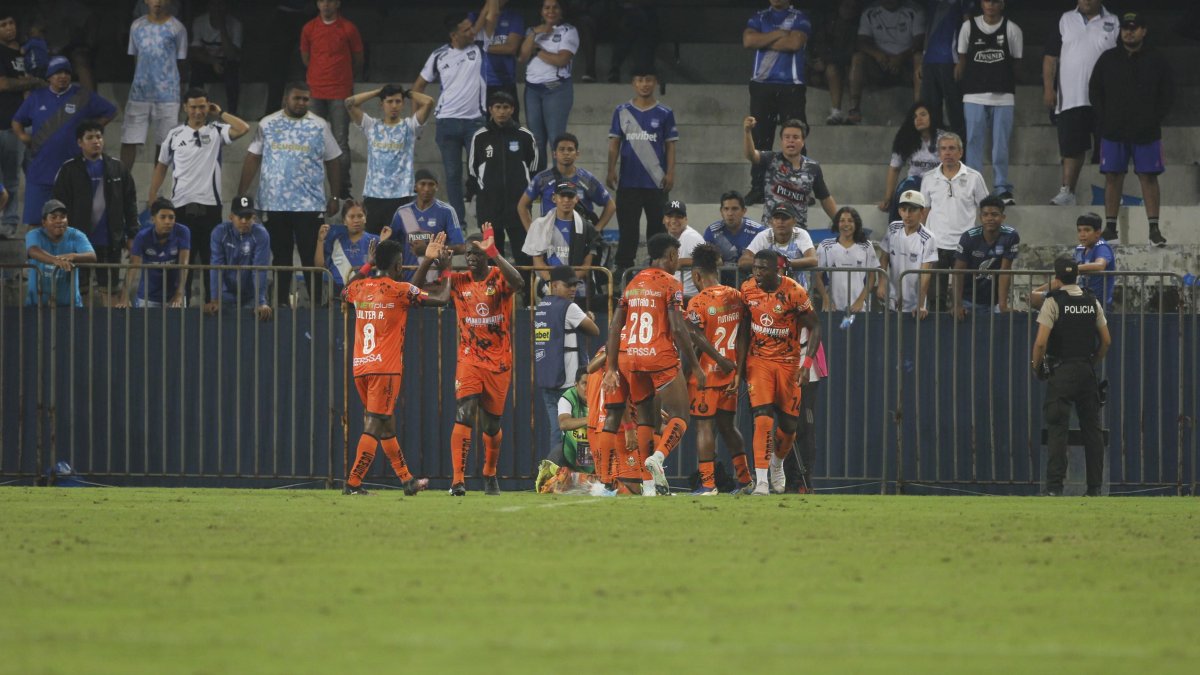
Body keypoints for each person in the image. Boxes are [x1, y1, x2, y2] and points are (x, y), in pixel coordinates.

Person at [341, 235, 450, 495]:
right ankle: (353, 483)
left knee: (385, 424)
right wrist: (444, 268)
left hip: (361, 368)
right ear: (398, 266)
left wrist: (366, 265)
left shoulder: (360, 288)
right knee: (374, 424)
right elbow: (443, 298)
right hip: (385, 370)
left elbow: (343, 291)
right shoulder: (397, 290)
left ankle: (406, 480)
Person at [601, 233, 701, 496]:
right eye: (676, 256)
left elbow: (615, 326)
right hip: (659, 355)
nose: (677, 262)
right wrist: (697, 366)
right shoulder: (671, 283)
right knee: (680, 416)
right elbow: (678, 328)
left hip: (632, 356)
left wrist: (612, 367)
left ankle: (647, 486)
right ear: (670, 256)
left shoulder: (633, 282)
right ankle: (658, 457)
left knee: (645, 418)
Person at [238, 81, 341, 306]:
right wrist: (241, 193)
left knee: (310, 257)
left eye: (306, 99)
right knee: (281, 256)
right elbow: (253, 157)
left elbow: (333, 160)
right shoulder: (268, 123)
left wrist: (334, 195)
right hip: (274, 203)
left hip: (310, 204)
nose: (302, 102)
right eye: (297, 98)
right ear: (286, 98)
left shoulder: (320, 125)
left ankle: (316, 303)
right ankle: (282, 303)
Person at [148, 88, 250, 303]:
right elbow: (161, 165)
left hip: (209, 207)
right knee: (182, 262)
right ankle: (179, 306)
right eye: (193, 107)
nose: (197, 111)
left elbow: (243, 128)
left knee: (211, 261)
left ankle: (212, 305)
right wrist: (152, 195)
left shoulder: (216, 130)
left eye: (202, 106)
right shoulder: (174, 134)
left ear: (208, 106)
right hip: (180, 208)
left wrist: (220, 113)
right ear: (185, 107)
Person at [446, 225, 526, 496]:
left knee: (491, 425)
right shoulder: (458, 282)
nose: (471, 257)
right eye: (468, 253)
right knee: (464, 412)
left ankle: (490, 473)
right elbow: (437, 293)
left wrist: (495, 254)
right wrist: (434, 261)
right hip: (468, 359)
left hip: (498, 362)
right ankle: (458, 480)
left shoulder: (498, 277)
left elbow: (519, 283)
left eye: (477, 253)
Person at [738, 249, 821, 494]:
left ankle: (777, 463)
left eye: (763, 268)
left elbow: (815, 327)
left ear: (777, 270)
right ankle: (761, 480)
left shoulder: (794, 291)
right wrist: (740, 366)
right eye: (755, 268)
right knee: (762, 417)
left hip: (788, 363)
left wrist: (807, 366)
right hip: (759, 361)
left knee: (789, 427)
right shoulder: (748, 289)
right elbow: (744, 330)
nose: (757, 273)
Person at [1090, 11, 1173, 247]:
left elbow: (1167, 94)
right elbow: (1095, 91)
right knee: (1113, 177)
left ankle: (1154, 230)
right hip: (1113, 131)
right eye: (1126, 28)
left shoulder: (1157, 60)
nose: (1129, 31)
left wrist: (1154, 118)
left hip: (1147, 132)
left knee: (1148, 177)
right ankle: (1110, 229)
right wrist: (1105, 119)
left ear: (1144, 31)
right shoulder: (1107, 59)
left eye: (1134, 27)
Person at [1031, 256, 1111, 497]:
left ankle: (1055, 488)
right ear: (1077, 275)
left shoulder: (1053, 301)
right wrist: (1092, 362)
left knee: (1057, 429)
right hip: (1086, 370)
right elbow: (1106, 341)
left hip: (1061, 371)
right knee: (1092, 431)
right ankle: (1094, 488)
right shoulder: (1092, 300)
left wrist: (1037, 368)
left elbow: (1041, 343)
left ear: (1056, 278)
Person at [11, 57, 115, 230]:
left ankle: (66, 257)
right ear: (49, 77)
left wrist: (89, 133)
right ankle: (34, 257)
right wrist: (23, 137)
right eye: (58, 72)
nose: (63, 76)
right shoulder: (37, 97)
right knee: (36, 222)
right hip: (40, 171)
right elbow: (16, 121)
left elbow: (110, 112)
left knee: (71, 223)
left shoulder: (81, 96)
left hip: (72, 172)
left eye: (66, 72)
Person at [413, 9, 492, 224]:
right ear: (453, 35)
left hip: (475, 122)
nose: (472, 31)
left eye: (471, 27)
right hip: (446, 122)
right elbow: (419, 86)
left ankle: (485, 220)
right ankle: (459, 224)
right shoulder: (439, 55)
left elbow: (490, 13)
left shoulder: (480, 47)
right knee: (453, 176)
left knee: (481, 173)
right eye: (466, 29)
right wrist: (416, 123)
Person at [685, 243, 751, 495]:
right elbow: (744, 334)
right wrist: (737, 369)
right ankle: (745, 480)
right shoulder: (736, 295)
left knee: (704, 427)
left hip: (707, 375)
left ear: (696, 275)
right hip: (731, 375)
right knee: (727, 426)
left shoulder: (698, 303)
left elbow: (697, 340)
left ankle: (708, 484)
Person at [51, 120, 138, 304]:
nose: (95, 141)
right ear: (80, 142)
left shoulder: (118, 167)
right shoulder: (68, 169)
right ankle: (82, 332)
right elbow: (58, 205)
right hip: (78, 244)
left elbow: (130, 203)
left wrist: (132, 234)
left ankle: (110, 331)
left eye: (98, 137)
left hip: (110, 242)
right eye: (89, 137)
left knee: (110, 291)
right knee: (80, 293)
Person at [1043, 0, 1117, 207]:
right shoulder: (1065, 19)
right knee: (1071, 149)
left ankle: (1113, 193)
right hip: (1071, 97)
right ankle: (1067, 192)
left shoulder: (1114, 21)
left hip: (1106, 98)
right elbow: (1050, 57)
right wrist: (1049, 89)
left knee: (1109, 147)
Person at [605, 66, 677, 275]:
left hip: (656, 182)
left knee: (657, 229)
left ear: (655, 82)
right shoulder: (622, 111)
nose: (644, 84)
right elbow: (614, 144)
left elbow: (671, 145)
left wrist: (671, 172)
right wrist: (611, 170)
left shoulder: (665, 113)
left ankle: (657, 271)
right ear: (633, 83)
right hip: (628, 183)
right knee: (628, 232)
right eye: (640, 79)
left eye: (648, 79)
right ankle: (623, 273)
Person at [742, 0, 811, 205]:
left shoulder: (800, 16)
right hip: (762, 85)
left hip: (792, 85)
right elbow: (748, 41)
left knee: (795, 137)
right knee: (760, 137)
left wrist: (762, 39)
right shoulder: (760, 16)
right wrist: (781, 34)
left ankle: (800, 188)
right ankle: (758, 188)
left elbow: (794, 43)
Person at [956, 0, 1022, 205]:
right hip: (974, 94)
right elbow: (962, 58)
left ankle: (1001, 188)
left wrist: (1006, 83)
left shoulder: (1012, 29)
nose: (990, 5)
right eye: (986, 1)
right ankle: (975, 189)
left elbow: (1016, 62)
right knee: (974, 142)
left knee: (1000, 145)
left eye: (995, 1)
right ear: (981, 4)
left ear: (1002, 4)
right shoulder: (968, 27)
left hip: (1003, 97)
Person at [346, 84, 434, 234]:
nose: (394, 105)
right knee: (373, 243)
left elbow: (429, 102)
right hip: (374, 196)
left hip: (403, 197)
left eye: (398, 101)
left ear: (403, 104)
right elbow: (349, 103)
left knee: (407, 243)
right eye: (389, 101)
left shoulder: (410, 126)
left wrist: (407, 93)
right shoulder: (371, 126)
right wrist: (377, 92)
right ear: (382, 104)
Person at [534, 264, 600, 464]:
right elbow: (595, 330)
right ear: (554, 285)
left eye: (575, 285)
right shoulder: (569, 307)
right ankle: (563, 475)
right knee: (579, 430)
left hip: (548, 380)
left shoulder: (543, 305)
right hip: (569, 383)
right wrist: (587, 318)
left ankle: (556, 474)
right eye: (568, 285)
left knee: (557, 430)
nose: (573, 289)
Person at [300, 0, 362, 198]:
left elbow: (358, 57)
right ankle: (311, 184)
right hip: (315, 90)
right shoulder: (309, 28)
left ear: (337, 4)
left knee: (340, 141)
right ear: (317, 4)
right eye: (322, 1)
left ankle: (343, 187)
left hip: (340, 91)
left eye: (330, 1)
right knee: (314, 140)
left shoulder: (348, 28)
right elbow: (305, 57)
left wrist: (346, 77)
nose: (326, 5)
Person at [467, 90, 538, 264]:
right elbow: (472, 170)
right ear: (490, 109)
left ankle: (525, 290)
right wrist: (479, 195)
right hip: (489, 206)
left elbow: (533, 168)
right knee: (492, 256)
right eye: (497, 107)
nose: (501, 111)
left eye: (506, 107)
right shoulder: (480, 137)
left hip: (518, 206)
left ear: (512, 109)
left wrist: (524, 193)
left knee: (523, 254)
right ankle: (495, 291)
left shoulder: (525, 136)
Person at [919, 132, 989, 310]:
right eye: (943, 149)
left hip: (966, 246)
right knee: (935, 300)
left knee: (965, 301)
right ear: (938, 153)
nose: (947, 153)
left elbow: (986, 209)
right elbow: (924, 211)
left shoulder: (974, 177)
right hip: (936, 246)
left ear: (961, 152)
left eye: (952, 148)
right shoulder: (928, 179)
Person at [120, 0, 188, 172]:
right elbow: (136, 58)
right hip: (139, 95)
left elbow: (181, 63)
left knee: (164, 144)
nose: (157, 2)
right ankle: (121, 185)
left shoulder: (177, 28)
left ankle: (155, 193)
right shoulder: (136, 26)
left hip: (168, 97)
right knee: (129, 140)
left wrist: (180, 95)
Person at [742, 117, 837, 227]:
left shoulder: (813, 167)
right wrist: (747, 132)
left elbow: (825, 198)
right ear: (782, 141)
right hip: (770, 230)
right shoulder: (770, 159)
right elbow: (751, 155)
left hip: (798, 233)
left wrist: (839, 221)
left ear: (803, 142)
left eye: (796, 137)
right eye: (787, 137)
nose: (791, 140)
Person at [519, 0, 578, 171]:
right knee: (536, 141)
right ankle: (541, 185)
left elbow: (561, 60)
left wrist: (537, 50)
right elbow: (522, 57)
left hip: (556, 89)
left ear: (561, 11)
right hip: (532, 90)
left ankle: (561, 184)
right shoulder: (532, 31)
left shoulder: (569, 31)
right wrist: (535, 33)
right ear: (541, 11)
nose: (550, 11)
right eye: (547, 7)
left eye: (555, 7)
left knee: (556, 140)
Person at [847, 0, 926, 124]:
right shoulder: (870, 12)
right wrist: (877, 54)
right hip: (880, 64)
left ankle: (918, 110)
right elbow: (861, 41)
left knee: (919, 57)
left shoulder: (914, 10)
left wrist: (900, 58)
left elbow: (920, 41)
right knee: (858, 58)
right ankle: (854, 109)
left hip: (906, 64)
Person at [0, 10, 44, 236]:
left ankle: (39, 221)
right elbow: (4, 84)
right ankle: (8, 224)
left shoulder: (28, 51)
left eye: (11, 23)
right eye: (3, 24)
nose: (9, 28)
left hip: (31, 123)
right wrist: (32, 81)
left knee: (38, 175)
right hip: (7, 124)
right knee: (11, 179)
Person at [518, 132, 614, 232]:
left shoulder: (586, 179)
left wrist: (596, 230)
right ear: (555, 154)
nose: (566, 153)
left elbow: (610, 205)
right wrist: (531, 233)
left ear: (577, 154)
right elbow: (522, 205)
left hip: (579, 239)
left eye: (570, 149)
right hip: (549, 238)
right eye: (562, 149)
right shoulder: (542, 179)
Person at [391, 169, 466, 284]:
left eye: (431, 184)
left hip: (436, 280)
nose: (427, 189)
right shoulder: (403, 212)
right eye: (423, 184)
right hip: (407, 280)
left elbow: (461, 247)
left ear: (437, 187)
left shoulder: (447, 211)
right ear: (415, 187)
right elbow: (392, 246)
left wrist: (427, 250)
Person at [522, 181, 602, 288]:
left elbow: (587, 264)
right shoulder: (539, 225)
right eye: (562, 196)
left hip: (577, 287)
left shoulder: (587, 228)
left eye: (570, 196)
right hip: (548, 286)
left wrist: (570, 284)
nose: (566, 200)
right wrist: (552, 284)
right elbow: (538, 262)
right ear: (554, 198)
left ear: (576, 199)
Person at [204, 196, 273, 320]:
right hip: (225, 295)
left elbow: (259, 269)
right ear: (231, 217)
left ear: (254, 217)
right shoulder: (220, 232)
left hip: (251, 296)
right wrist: (215, 298)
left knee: (251, 335)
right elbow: (216, 266)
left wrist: (260, 302)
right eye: (239, 217)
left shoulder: (261, 234)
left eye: (247, 217)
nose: (243, 221)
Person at [951, 195, 1018, 319]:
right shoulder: (968, 237)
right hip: (968, 300)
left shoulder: (1011, 236)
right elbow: (958, 272)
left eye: (994, 214)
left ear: (1003, 217)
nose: (990, 218)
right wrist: (957, 304)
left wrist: (1003, 305)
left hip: (994, 302)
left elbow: (1005, 271)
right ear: (980, 217)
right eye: (985, 214)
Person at [117, 198, 191, 308]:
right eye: (163, 217)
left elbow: (183, 264)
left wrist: (179, 294)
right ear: (153, 219)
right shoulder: (142, 237)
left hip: (174, 296)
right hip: (148, 297)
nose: (168, 221)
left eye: (171, 217)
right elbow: (133, 266)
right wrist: (124, 296)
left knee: (177, 325)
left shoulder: (183, 231)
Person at [879, 101, 944, 224]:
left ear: (932, 116)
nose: (918, 119)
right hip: (915, 181)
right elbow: (894, 168)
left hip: (938, 182)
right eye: (915, 117)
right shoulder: (905, 138)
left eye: (923, 114)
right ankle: (894, 236)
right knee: (905, 194)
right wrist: (888, 198)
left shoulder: (944, 138)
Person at [25, 198, 96, 306]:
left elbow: (92, 256)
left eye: (63, 217)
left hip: (70, 306)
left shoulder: (76, 235)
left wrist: (73, 256)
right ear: (44, 222)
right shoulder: (35, 234)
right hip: (37, 304)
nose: (59, 220)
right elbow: (33, 250)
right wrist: (55, 260)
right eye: (53, 217)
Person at [877, 189, 937, 317]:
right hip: (891, 297)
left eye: (912, 210)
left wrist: (920, 304)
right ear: (899, 211)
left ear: (922, 212)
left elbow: (925, 274)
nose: (907, 214)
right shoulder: (893, 228)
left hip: (914, 303)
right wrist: (881, 283)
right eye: (903, 210)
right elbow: (884, 258)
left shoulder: (928, 238)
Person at [315, 199, 390, 295]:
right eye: (351, 217)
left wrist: (383, 243)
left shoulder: (375, 240)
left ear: (365, 218)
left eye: (360, 216)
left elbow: (385, 270)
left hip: (367, 297)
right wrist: (320, 241)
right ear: (344, 221)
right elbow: (318, 268)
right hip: (338, 297)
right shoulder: (335, 240)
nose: (356, 220)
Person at [920, 0, 972, 137]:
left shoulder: (961, 3)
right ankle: (934, 151)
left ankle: (961, 151)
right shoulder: (932, 3)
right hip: (929, 60)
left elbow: (968, 28)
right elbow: (928, 29)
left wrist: (962, 59)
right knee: (930, 109)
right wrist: (923, 57)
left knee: (955, 110)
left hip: (950, 60)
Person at [814, 206, 879, 313]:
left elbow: (872, 277)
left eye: (850, 221)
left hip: (859, 309)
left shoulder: (866, 246)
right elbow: (817, 276)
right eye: (842, 221)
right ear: (837, 224)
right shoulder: (826, 245)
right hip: (833, 308)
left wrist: (860, 300)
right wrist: (826, 298)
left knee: (859, 330)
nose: (846, 224)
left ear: (856, 224)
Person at [739, 202, 818, 289]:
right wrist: (772, 264)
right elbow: (743, 261)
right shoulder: (764, 236)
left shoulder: (801, 234)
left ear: (794, 221)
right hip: (769, 294)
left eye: (785, 218)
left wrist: (786, 263)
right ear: (770, 221)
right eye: (777, 218)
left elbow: (813, 259)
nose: (780, 222)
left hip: (797, 293)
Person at [808, 0, 861, 126]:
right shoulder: (828, 23)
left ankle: (848, 112)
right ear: (839, 6)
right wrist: (818, 62)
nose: (849, 10)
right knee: (825, 71)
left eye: (853, 8)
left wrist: (826, 61)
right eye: (846, 6)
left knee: (842, 68)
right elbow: (817, 45)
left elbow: (852, 52)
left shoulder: (857, 27)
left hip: (845, 68)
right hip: (824, 69)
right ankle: (836, 112)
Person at [469, 0, 524, 122]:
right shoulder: (473, 16)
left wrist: (482, 46)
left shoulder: (514, 17)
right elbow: (470, 38)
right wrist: (486, 9)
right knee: (482, 126)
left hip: (505, 81)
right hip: (479, 83)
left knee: (510, 125)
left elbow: (511, 48)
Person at [188, 0, 243, 114]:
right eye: (214, 5)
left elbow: (232, 55)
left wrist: (222, 27)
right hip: (207, 62)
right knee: (196, 72)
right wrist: (212, 62)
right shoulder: (200, 22)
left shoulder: (235, 24)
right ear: (209, 6)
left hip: (227, 63)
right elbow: (195, 51)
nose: (218, 9)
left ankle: (232, 113)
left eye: (221, 5)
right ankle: (195, 111)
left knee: (233, 71)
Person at [704, 191, 767, 268]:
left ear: (744, 211)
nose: (730, 213)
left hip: (751, 279)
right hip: (721, 279)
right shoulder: (712, 232)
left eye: (735, 209)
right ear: (721, 211)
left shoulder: (758, 231)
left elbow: (767, 260)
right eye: (726, 209)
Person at [555, 367, 594, 479]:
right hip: (572, 449)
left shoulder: (601, 395)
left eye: (591, 383)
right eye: (584, 384)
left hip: (597, 449)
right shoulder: (568, 397)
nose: (588, 388)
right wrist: (591, 419)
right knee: (554, 458)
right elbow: (564, 424)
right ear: (576, 385)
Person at [662, 200, 703, 299]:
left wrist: (682, 262)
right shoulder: (669, 237)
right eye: (670, 216)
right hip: (676, 295)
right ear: (663, 219)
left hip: (689, 297)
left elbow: (715, 260)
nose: (674, 220)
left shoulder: (690, 236)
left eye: (678, 217)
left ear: (686, 219)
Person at [1073, 212, 1115, 308]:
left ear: (1098, 233)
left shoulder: (1101, 246)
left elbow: (1100, 265)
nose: (1082, 234)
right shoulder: (1079, 249)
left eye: (1087, 230)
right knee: (1037, 297)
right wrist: (1036, 290)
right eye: (1079, 231)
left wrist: (1072, 268)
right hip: (1079, 298)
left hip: (1098, 303)